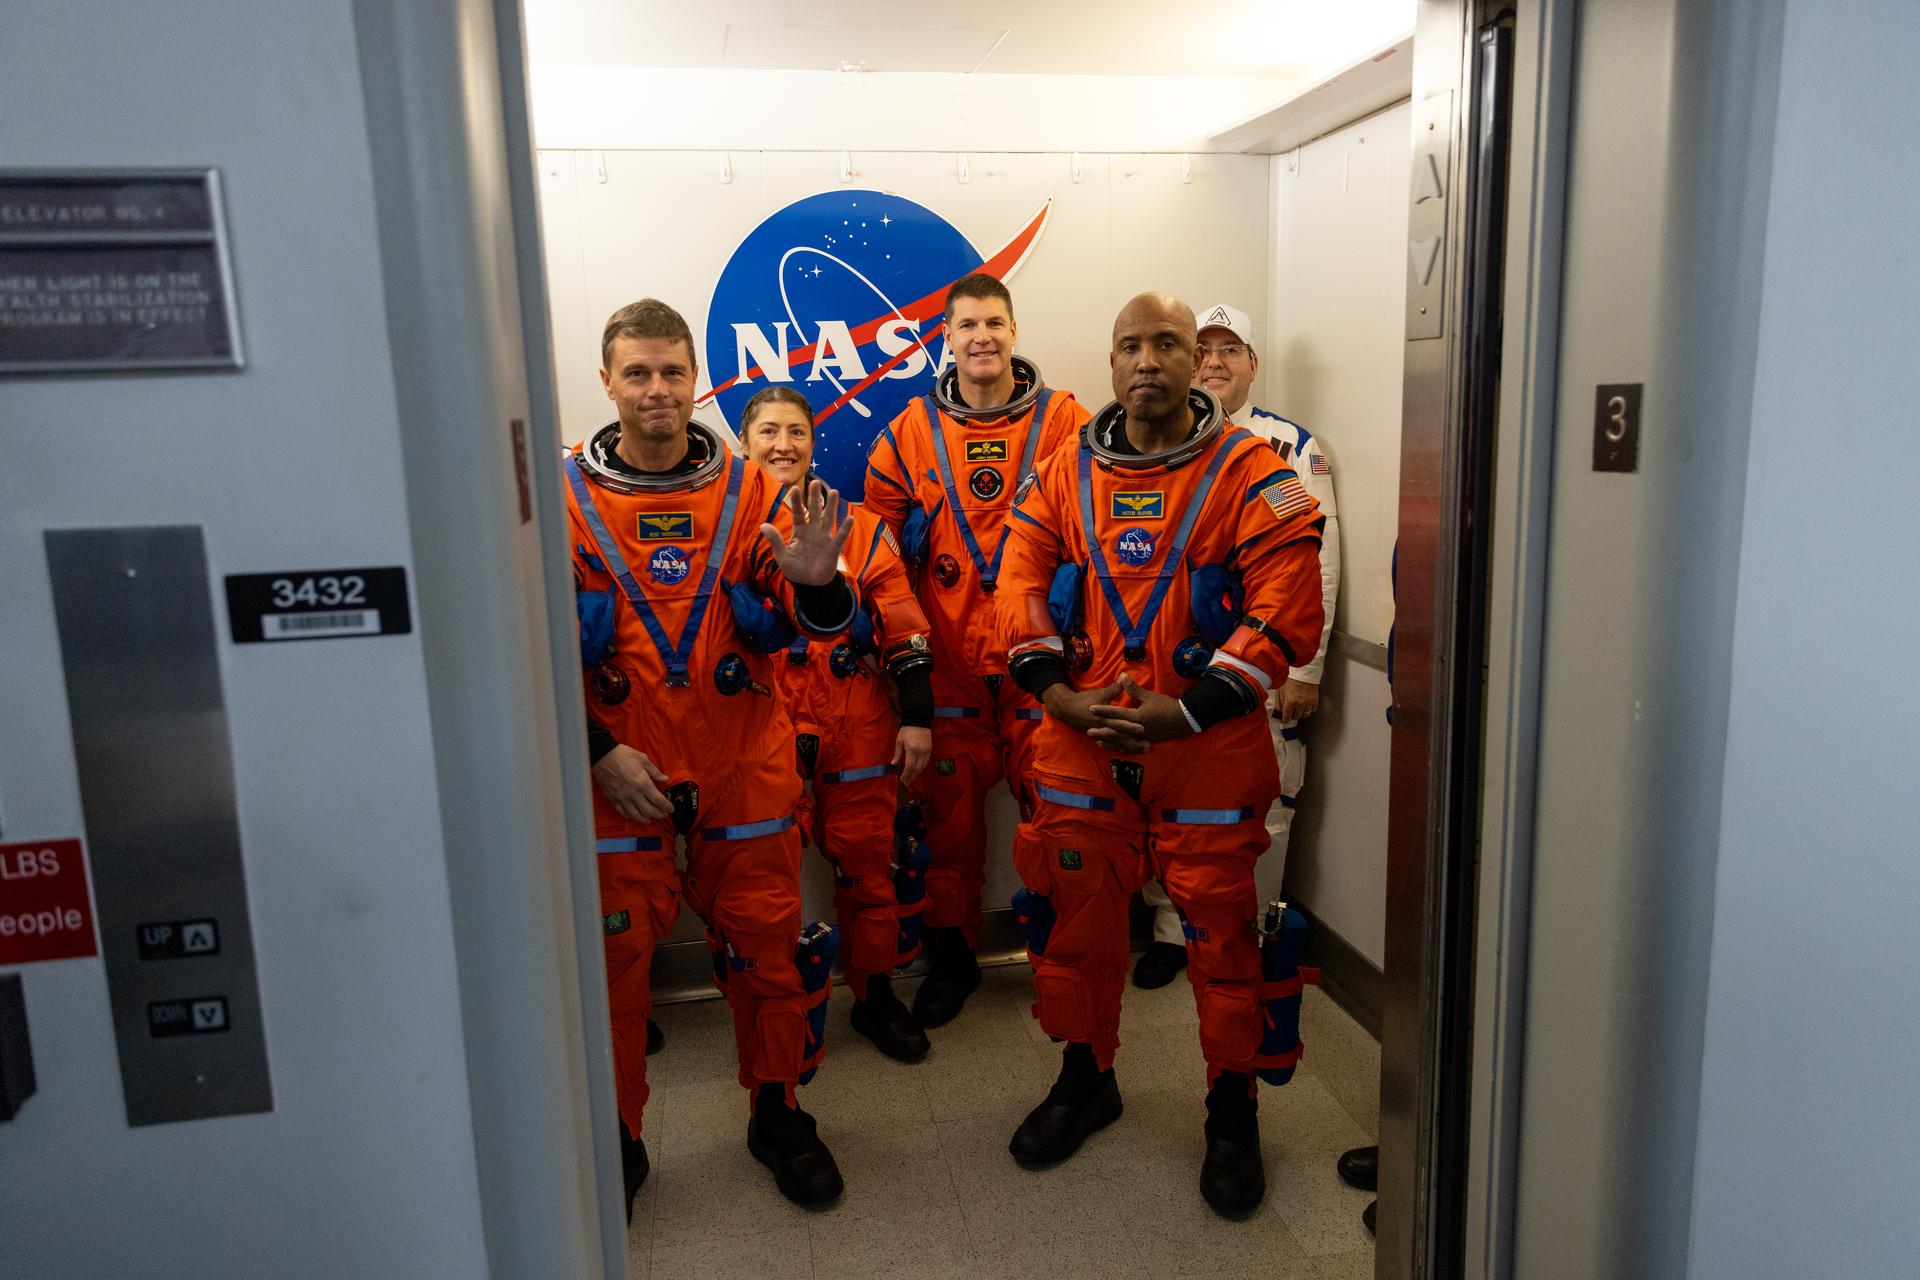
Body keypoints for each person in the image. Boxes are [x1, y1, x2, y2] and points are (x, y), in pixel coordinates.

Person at [995, 293, 1325, 1215]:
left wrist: (1187, 715)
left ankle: (1231, 1112)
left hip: (1205, 746)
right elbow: (1018, 582)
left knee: (1223, 946)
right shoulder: (1061, 473)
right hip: (1084, 735)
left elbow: (1282, 607)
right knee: (1074, 931)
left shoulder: (1256, 474)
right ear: (1109, 363)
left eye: (1168, 345)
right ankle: (1085, 1080)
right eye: (1131, 345)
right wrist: (1059, 694)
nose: (1149, 360)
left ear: (1197, 362)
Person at [570, 299, 857, 1211]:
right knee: (611, 976)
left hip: (744, 767)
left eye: (672, 372)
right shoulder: (562, 502)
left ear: (697, 380)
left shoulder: (751, 494)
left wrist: (818, 587)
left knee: (772, 953)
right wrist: (596, 750)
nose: (658, 389)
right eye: (638, 372)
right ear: (606, 380)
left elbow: (811, 606)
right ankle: (615, 1136)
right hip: (622, 774)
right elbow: (516, 642)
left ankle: (778, 1113)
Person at [864, 273, 1090, 1027]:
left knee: (1060, 822)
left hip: (1041, 667)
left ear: (1014, 330)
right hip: (950, 667)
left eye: (994, 322)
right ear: (947, 338)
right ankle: (952, 960)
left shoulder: (1066, 422)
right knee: (948, 829)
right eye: (967, 325)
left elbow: (1101, 543)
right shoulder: (909, 430)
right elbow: (879, 556)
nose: (981, 336)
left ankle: (1063, 963)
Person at [1133, 301, 1343, 990]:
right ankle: (1169, 932)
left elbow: (1319, 564)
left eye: (1231, 350)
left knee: (1255, 806)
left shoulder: (1288, 448)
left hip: (1257, 670)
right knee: (1168, 805)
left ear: (1253, 364)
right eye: (1205, 349)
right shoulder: (1152, 443)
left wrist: (1302, 667)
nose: (1215, 362)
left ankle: (1246, 930)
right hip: (1170, 667)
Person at [741, 386, 939, 1063]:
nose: (783, 445)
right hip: (760, 728)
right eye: (768, 431)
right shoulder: (723, 533)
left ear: (814, 444)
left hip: (856, 720)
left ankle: (876, 995)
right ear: (745, 444)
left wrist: (916, 718)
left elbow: (905, 624)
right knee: (762, 885)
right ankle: (781, 1011)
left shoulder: (860, 527)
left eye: (796, 431)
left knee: (868, 868)